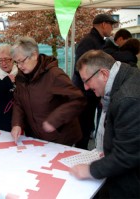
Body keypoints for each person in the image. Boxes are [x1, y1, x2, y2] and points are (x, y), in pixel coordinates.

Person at [70, 50, 140, 199]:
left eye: (86, 80)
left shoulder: (128, 99)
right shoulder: (125, 78)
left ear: (104, 74)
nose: (86, 87)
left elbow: (127, 155)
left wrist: (91, 170)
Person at [10, 37, 86, 146]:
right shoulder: (21, 78)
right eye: (16, 62)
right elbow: (18, 102)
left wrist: (55, 119)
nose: (19, 66)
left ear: (34, 55)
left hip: (61, 139)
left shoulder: (54, 75)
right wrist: (17, 124)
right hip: (37, 138)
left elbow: (78, 99)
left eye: (21, 61)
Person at [72, 13, 118, 149]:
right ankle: (80, 155)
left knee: (87, 127)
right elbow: (79, 69)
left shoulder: (97, 41)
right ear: (104, 24)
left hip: (91, 93)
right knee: (84, 129)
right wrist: (90, 88)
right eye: (111, 25)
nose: (112, 29)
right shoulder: (89, 41)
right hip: (85, 94)